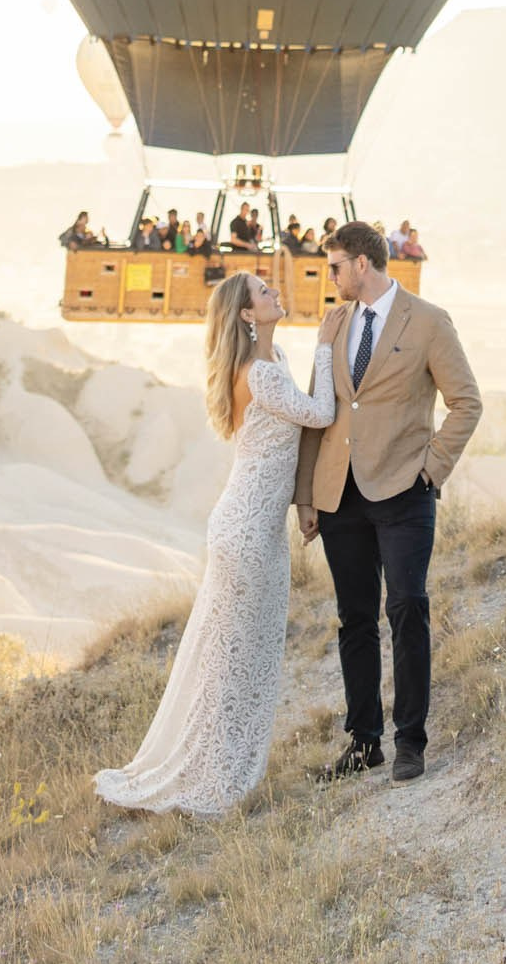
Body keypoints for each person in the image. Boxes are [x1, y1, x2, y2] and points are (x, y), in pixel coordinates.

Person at [96, 274, 334, 816]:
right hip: (246, 529)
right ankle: (216, 774)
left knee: (240, 653)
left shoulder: (273, 363)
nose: (275, 291)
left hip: (252, 524)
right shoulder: (263, 375)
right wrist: (328, 349)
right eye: (262, 291)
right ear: (248, 315)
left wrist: (302, 502)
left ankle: (221, 764)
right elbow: (320, 415)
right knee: (233, 658)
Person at [294, 220, 481, 786]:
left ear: (362, 265)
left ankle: (410, 741)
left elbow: (466, 403)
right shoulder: (335, 325)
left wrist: (430, 469)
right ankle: (364, 741)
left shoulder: (428, 321)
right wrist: (305, 495)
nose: (330, 278)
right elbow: (316, 412)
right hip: (339, 497)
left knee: (406, 609)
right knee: (354, 619)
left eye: (334, 267)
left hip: (404, 492)